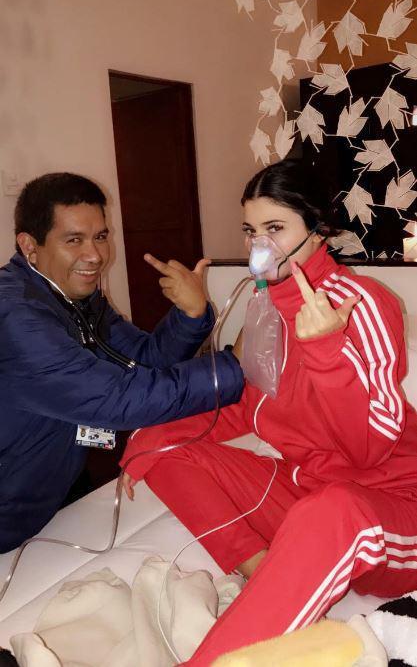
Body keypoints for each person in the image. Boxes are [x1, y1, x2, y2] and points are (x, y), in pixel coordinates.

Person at [121, 159, 417, 665]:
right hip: (311, 494)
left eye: (275, 228)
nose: (259, 245)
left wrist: (325, 351)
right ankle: (265, 574)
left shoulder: (362, 304)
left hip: (390, 511)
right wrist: (152, 437)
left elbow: (369, 450)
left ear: (317, 230)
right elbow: (246, 407)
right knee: (162, 451)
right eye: (250, 230)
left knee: (334, 509)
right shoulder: (264, 311)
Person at [0, 172, 243, 553]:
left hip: (49, 491)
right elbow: (118, 398)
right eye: (74, 240)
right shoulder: (15, 316)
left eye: (100, 236)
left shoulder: (75, 299)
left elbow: (145, 360)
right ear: (30, 245)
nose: (95, 255)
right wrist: (235, 368)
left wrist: (190, 315)